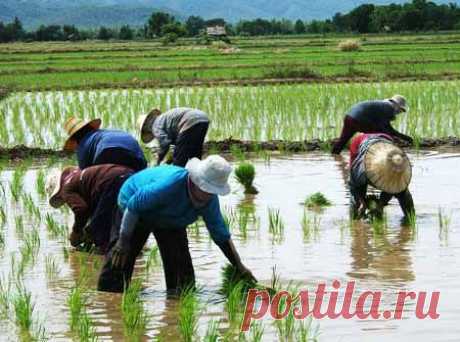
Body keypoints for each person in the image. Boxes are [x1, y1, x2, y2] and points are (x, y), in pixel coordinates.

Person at [97, 155, 256, 293]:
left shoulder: (209, 202)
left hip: (170, 219)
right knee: (120, 261)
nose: (208, 194)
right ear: (196, 180)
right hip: (134, 209)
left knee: (183, 281)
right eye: (205, 189)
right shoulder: (169, 186)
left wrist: (239, 266)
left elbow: (220, 234)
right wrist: (123, 241)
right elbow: (134, 205)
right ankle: (109, 300)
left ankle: (175, 305)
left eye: (212, 191)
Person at [46, 164, 134, 253]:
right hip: (128, 174)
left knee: (100, 235)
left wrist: (76, 232)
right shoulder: (77, 177)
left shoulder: (66, 189)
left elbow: (81, 210)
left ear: (57, 194)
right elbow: (92, 210)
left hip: (111, 181)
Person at [349, 133, 415, 220]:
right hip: (360, 142)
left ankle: (410, 220)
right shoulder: (363, 170)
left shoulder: (398, 170)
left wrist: (380, 204)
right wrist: (362, 202)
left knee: (403, 193)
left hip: (386, 143)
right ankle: (354, 223)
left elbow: (393, 188)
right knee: (356, 204)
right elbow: (353, 185)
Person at [332, 95, 413, 154]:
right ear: (396, 105)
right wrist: (404, 137)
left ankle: (334, 156)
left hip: (349, 117)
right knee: (380, 135)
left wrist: (399, 137)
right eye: (400, 109)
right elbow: (387, 129)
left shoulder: (382, 105)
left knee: (342, 142)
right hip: (359, 120)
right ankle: (374, 154)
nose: (399, 112)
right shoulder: (388, 108)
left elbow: (385, 127)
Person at [63, 117, 147, 171]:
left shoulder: (83, 146)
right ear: (91, 127)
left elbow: (84, 174)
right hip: (136, 156)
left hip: (106, 154)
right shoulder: (107, 133)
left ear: (75, 139)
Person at [138, 107, 210, 167]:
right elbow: (175, 146)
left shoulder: (155, 126)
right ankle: (196, 176)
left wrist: (159, 160)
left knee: (179, 161)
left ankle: (180, 180)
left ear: (146, 127)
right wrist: (168, 160)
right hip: (203, 119)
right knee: (195, 153)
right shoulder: (163, 120)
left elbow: (165, 143)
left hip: (189, 121)